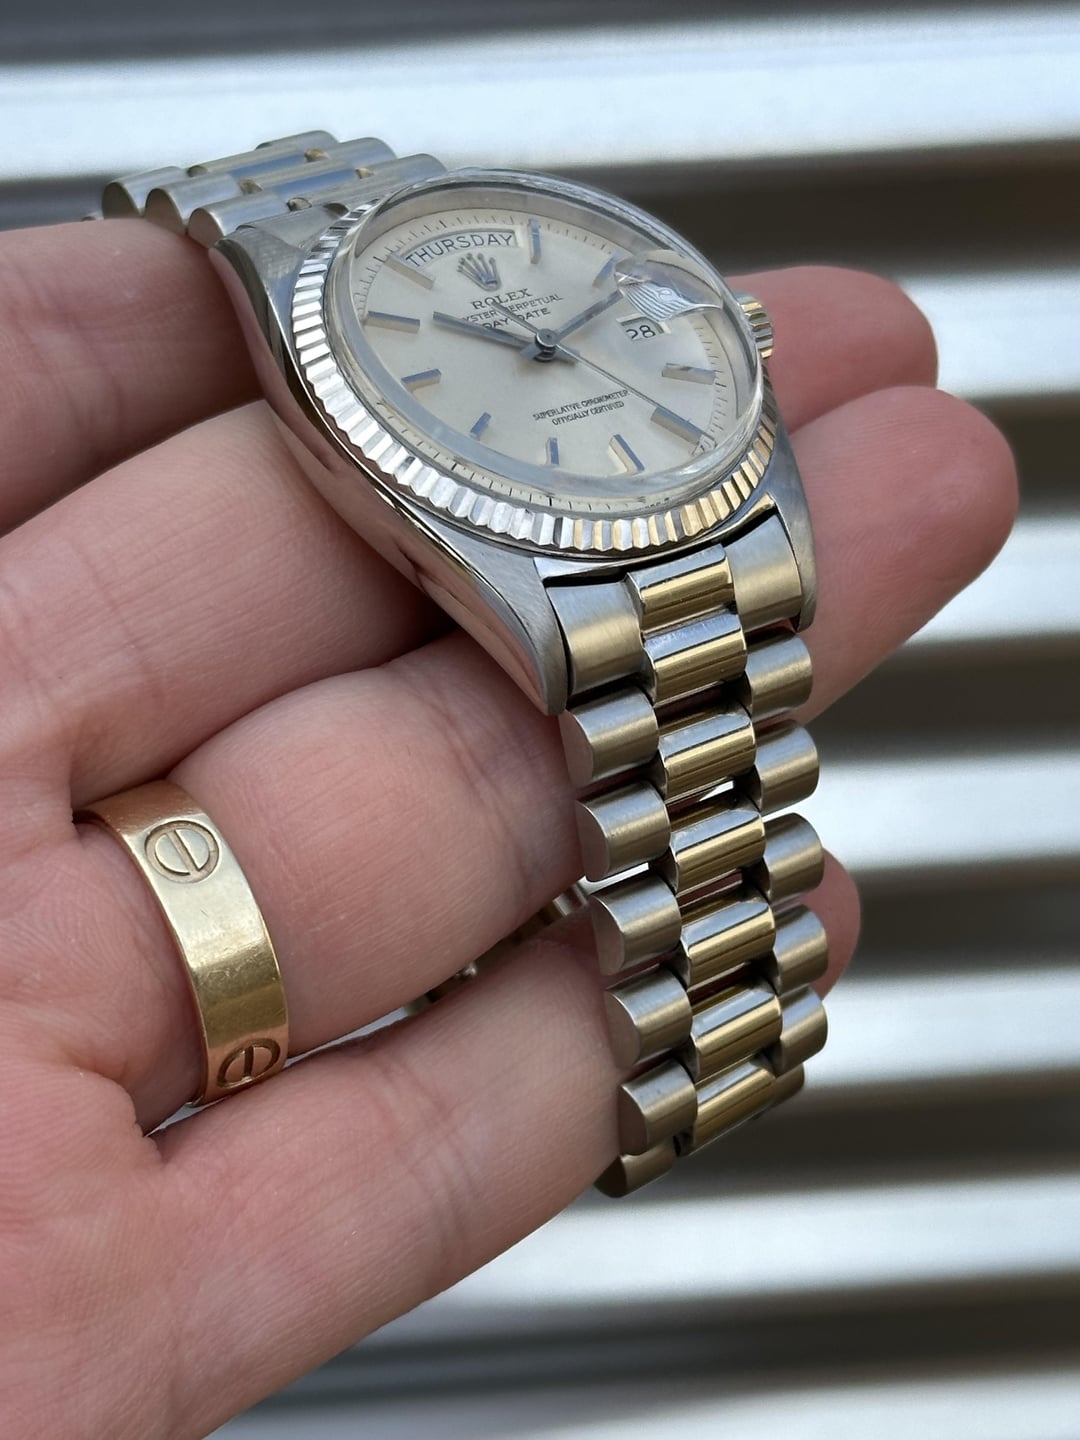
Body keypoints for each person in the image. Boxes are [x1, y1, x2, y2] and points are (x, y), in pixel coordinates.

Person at [0, 215, 1017, 1438]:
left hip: (673, 504)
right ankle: (702, 1036)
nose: (540, 339)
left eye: (557, 324)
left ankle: (710, 1027)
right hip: (546, 548)